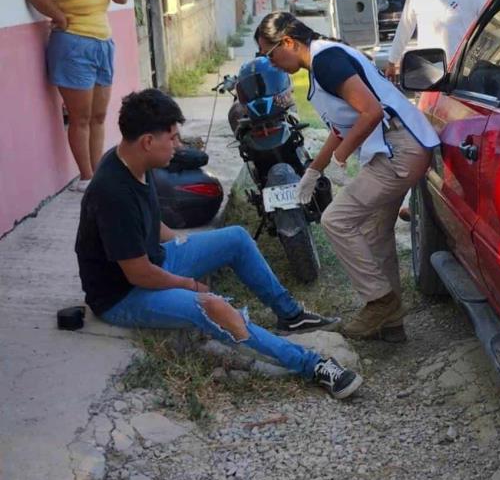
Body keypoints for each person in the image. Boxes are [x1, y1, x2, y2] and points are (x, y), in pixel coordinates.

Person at [75, 89, 361, 400]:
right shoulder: (112, 193)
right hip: (123, 296)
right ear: (147, 142)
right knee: (212, 307)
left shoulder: (133, 164)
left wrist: (188, 248)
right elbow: (138, 274)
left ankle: (291, 315)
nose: (178, 144)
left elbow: (151, 224)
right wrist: (191, 285)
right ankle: (314, 365)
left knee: (235, 238)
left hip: (154, 262)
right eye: (171, 138)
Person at [254, 12, 440, 343]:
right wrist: (313, 171)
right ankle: (391, 324)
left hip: (400, 150)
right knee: (374, 232)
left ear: (288, 42)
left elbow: (371, 111)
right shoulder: (322, 60)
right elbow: (341, 128)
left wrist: (341, 158)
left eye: (269, 55)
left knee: (336, 221)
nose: (271, 64)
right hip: (400, 147)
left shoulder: (325, 61)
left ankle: (379, 301)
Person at [383, 0, 488, 221]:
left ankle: (460, 202)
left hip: (463, 78)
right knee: (422, 138)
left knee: (459, 142)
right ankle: (410, 200)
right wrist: (393, 61)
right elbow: (406, 26)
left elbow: (492, 24)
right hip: (427, 74)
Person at [26, 0, 127, 192]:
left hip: (103, 46)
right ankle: (86, 177)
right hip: (73, 48)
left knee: (98, 116)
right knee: (80, 117)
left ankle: (97, 173)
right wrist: (59, 16)